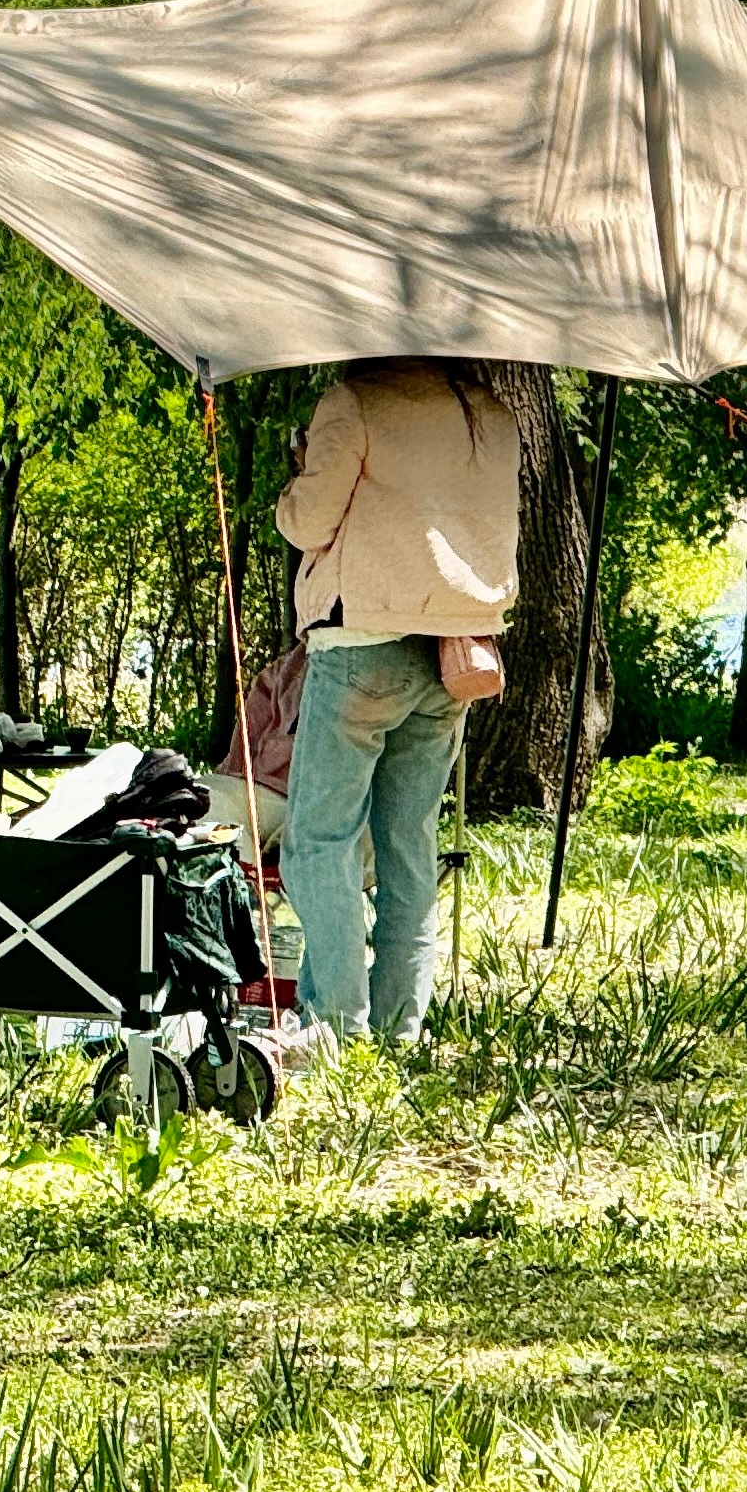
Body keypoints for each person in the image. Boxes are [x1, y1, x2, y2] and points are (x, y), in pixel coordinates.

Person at [270, 357, 519, 1041]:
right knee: (408, 844)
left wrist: (297, 472)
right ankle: (399, 1028)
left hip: (363, 639)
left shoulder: (355, 399)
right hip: (455, 651)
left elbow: (307, 523)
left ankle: (335, 1028)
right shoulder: (492, 414)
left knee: (320, 842)